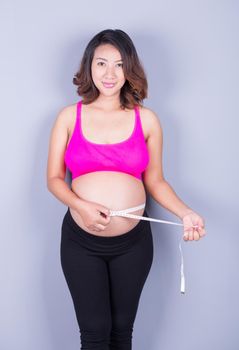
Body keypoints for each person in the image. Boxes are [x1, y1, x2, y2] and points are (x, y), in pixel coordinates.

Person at [46, 28, 206, 350]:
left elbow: (156, 181)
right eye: (101, 63)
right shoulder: (68, 117)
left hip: (133, 245)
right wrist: (81, 206)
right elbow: (53, 179)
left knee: (122, 333)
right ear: (89, 66)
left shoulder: (147, 120)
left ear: (130, 69)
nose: (109, 73)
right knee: (93, 334)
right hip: (81, 243)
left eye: (119, 65)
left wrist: (186, 213)